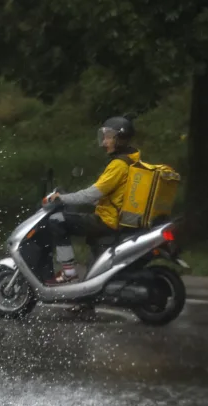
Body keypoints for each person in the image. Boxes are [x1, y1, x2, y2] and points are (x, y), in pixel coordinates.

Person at [42, 115, 141, 285]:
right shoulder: (133, 160)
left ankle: (69, 273)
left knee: (56, 221)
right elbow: (112, 196)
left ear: (120, 138)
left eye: (108, 137)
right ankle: (84, 300)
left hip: (108, 221)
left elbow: (91, 194)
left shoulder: (119, 165)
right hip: (114, 216)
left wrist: (61, 198)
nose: (104, 142)